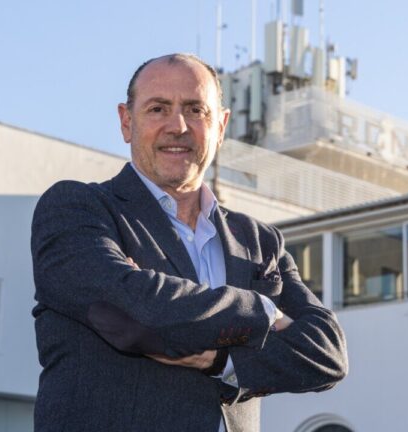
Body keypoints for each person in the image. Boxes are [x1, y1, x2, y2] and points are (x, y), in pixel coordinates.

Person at [30, 53, 348, 432]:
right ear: (126, 121)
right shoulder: (78, 210)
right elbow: (133, 316)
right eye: (158, 108)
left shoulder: (260, 241)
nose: (177, 126)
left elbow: (327, 353)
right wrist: (265, 312)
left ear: (221, 126)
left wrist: (220, 360)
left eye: (195, 110)